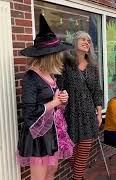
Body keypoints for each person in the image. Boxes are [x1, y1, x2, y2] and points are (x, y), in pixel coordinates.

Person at [17, 14, 74, 180]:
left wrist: (62, 100)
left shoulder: (51, 74)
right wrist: (55, 101)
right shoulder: (31, 77)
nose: (60, 56)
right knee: (39, 177)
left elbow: (54, 104)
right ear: (49, 55)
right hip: (38, 136)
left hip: (52, 132)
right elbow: (29, 114)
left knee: (51, 172)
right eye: (57, 53)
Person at [57, 31, 103, 180]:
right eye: (83, 39)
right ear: (75, 42)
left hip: (88, 112)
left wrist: (99, 112)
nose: (86, 43)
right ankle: (79, 177)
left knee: (85, 148)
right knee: (71, 150)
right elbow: (59, 86)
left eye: (89, 41)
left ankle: (76, 178)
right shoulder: (66, 64)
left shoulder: (93, 67)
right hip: (70, 112)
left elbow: (97, 90)